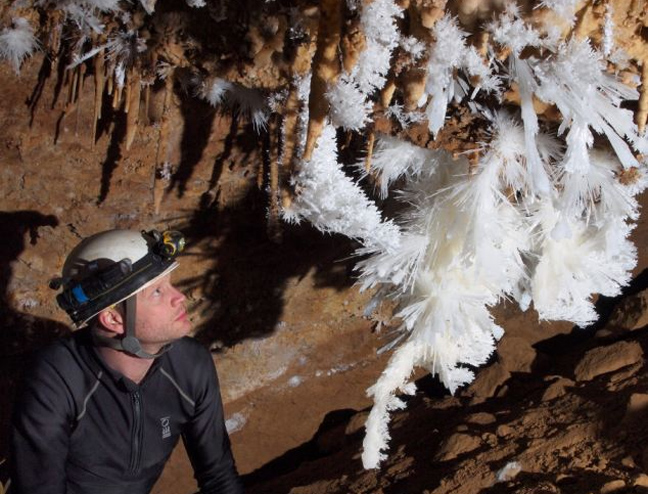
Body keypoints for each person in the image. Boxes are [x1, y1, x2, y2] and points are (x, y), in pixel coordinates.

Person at [10, 228, 244, 494]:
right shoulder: (57, 378)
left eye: (169, 284)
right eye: (157, 292)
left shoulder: (190, 365)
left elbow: (219, 477)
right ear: (113, 319)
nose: (179, 297)